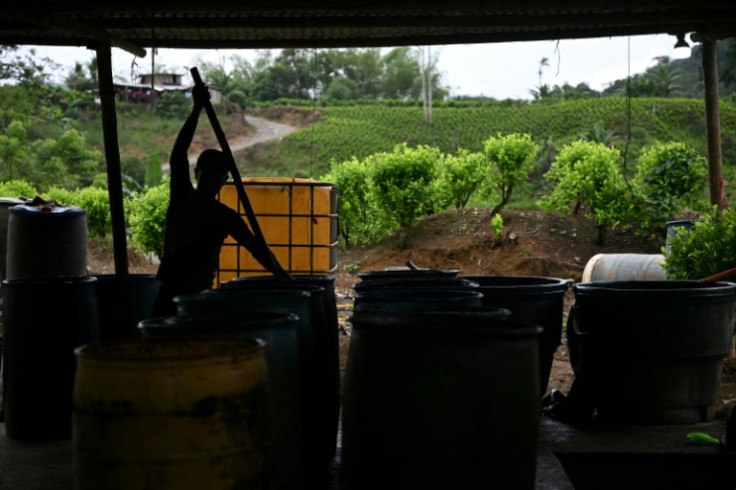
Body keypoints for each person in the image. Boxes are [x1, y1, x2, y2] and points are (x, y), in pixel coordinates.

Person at [150, 83, 291, 317]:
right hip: (168, 296)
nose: (211, 181)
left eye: (218, 176)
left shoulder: (225, 217)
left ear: (225, 180)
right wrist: (196, 111)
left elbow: (256, 247)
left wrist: (282, 275)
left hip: (200, 301)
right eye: (207, 174)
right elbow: (178, 156)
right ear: (197, 174)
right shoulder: (182, 196)